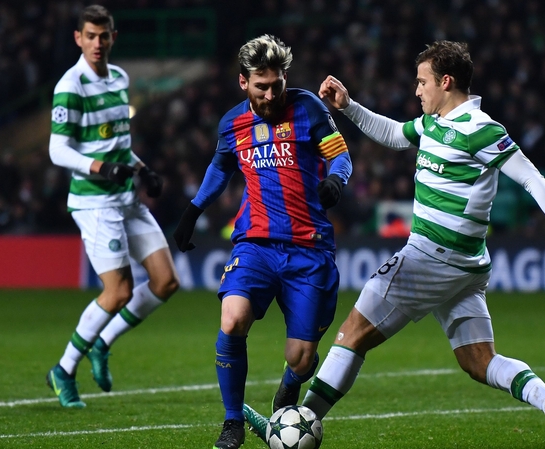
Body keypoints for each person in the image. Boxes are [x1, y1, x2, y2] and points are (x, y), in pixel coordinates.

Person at [244, 40, 545, 449]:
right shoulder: (434, 123)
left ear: (446, 82)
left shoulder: (480, 129)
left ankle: (295, 428)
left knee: (352, 333)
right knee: (479, 360)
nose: (417, 90)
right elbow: (394, 134)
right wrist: (349, 106)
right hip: (466, 266)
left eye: (423, 82)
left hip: (431, 257)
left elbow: (532, 178)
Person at [172, 34, 353, 449]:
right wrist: (193, 210)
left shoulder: (308, 107)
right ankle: (232, 422)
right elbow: (221, 167)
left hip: (309, 248)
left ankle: (291, 383)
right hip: (255, 244)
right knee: (232, 319)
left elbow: (340, 155)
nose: (271, 95)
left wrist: (335, 181)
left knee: (300, 358)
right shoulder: (232, 123)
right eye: (261, 86)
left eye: (277, 85)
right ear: (243, 82)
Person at [46, 4, 180, 409]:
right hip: (95, 202)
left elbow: (117, 144)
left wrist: (143, 169)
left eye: (104, 36)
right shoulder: (71, 86)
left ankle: (102, 342)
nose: (97, 43)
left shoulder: (119, 78)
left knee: (165, 282)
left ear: (113, 37)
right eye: (90, 35)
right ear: (78, 38)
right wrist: (101, 167)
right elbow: (57, 150)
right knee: (118, 291)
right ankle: (64, 368)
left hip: (126, 196)